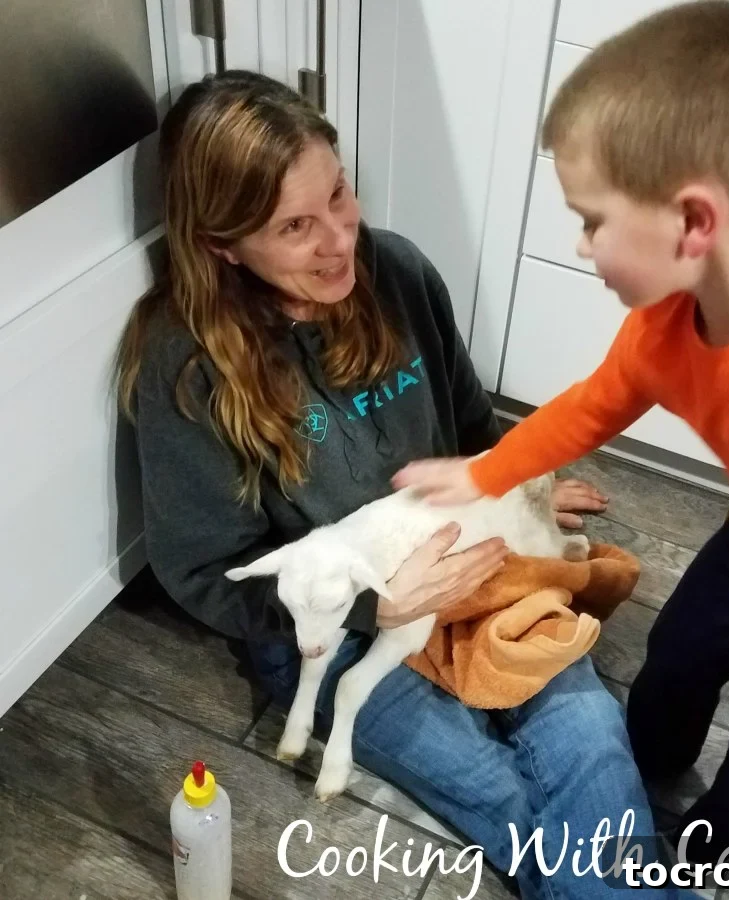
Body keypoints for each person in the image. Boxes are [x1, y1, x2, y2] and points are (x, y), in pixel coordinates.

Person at [116, 70, 688, 898]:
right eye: (294, 227)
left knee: (592, 730)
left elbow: (465, 418)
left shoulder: (399, 273)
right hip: (338, 634)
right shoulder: (186, 368)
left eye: (339, 194)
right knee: (502, 795)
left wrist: (516, 486)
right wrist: (371, 606)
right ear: (221, 245)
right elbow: (201, 572)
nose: (340, 239)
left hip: (480, 565)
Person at [391, 0, 729, 865]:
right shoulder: (664, 329)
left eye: (592, 218)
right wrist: (484, 474)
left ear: (693, 222)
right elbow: (591, 406)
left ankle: (698, 851)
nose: (583, 246)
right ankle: (643, 779)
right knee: (674, 660)